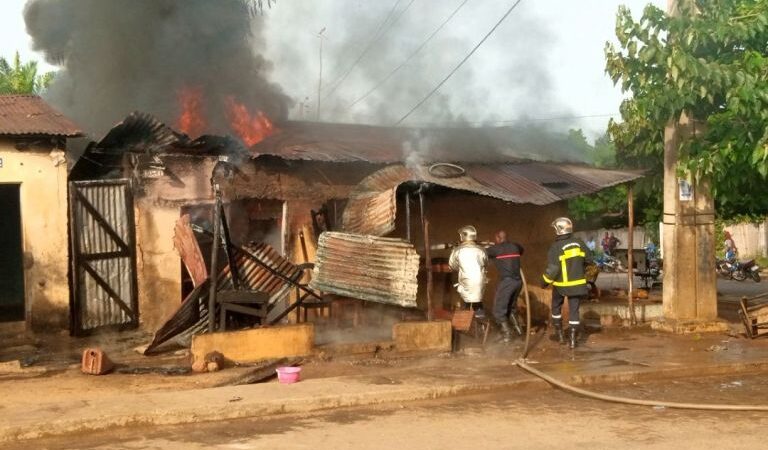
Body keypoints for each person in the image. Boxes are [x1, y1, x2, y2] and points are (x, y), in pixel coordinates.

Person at [541, 217, 592, 349]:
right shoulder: (580, 243)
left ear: (559, 230)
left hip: (561, 285)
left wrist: (544, 282)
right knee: (574, 311)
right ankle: (573, 341)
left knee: (556, 307)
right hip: (578, 285)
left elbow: (553, 269)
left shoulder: (556, 247)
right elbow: (589, 261)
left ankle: (560, 335)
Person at [486, 230, 524, 343]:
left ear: (498, 238)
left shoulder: (495, 249)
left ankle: (507, 335)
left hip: (507, 282)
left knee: (498, 310)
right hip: (518, 282)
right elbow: (520, 250)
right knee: (511, 307)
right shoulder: (516, 246)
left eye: (495, 239)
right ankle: (519, 331)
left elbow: (482, 253)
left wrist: (488, 246)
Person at [449, 225, 489, 319]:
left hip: (465, 282)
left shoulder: (457, 250)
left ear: (463, 236)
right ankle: (480, 319)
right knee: (477, 301)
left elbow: (452, 266)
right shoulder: (481, 250)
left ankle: (466, 322)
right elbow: (486, 263)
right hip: (480, 282)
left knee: (466, 301)